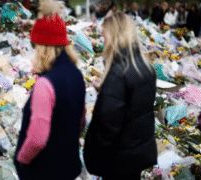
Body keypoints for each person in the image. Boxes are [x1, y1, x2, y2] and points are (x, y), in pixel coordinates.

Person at [13, 0, 86, 179]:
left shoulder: (45, 84)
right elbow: (81, 119)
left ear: (43, 47)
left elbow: (37, 138)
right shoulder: (76, 74)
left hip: (44, 170)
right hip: (68, 165)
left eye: (35, 46)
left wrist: (21, 159)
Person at [83, 11, 157, 180]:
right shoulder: (145, 68)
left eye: (104, 36)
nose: (103, 41)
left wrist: (93, 157)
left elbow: (107, 125)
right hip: (135, 155)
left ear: (114, 36)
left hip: (118, 161)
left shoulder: (118, 75)